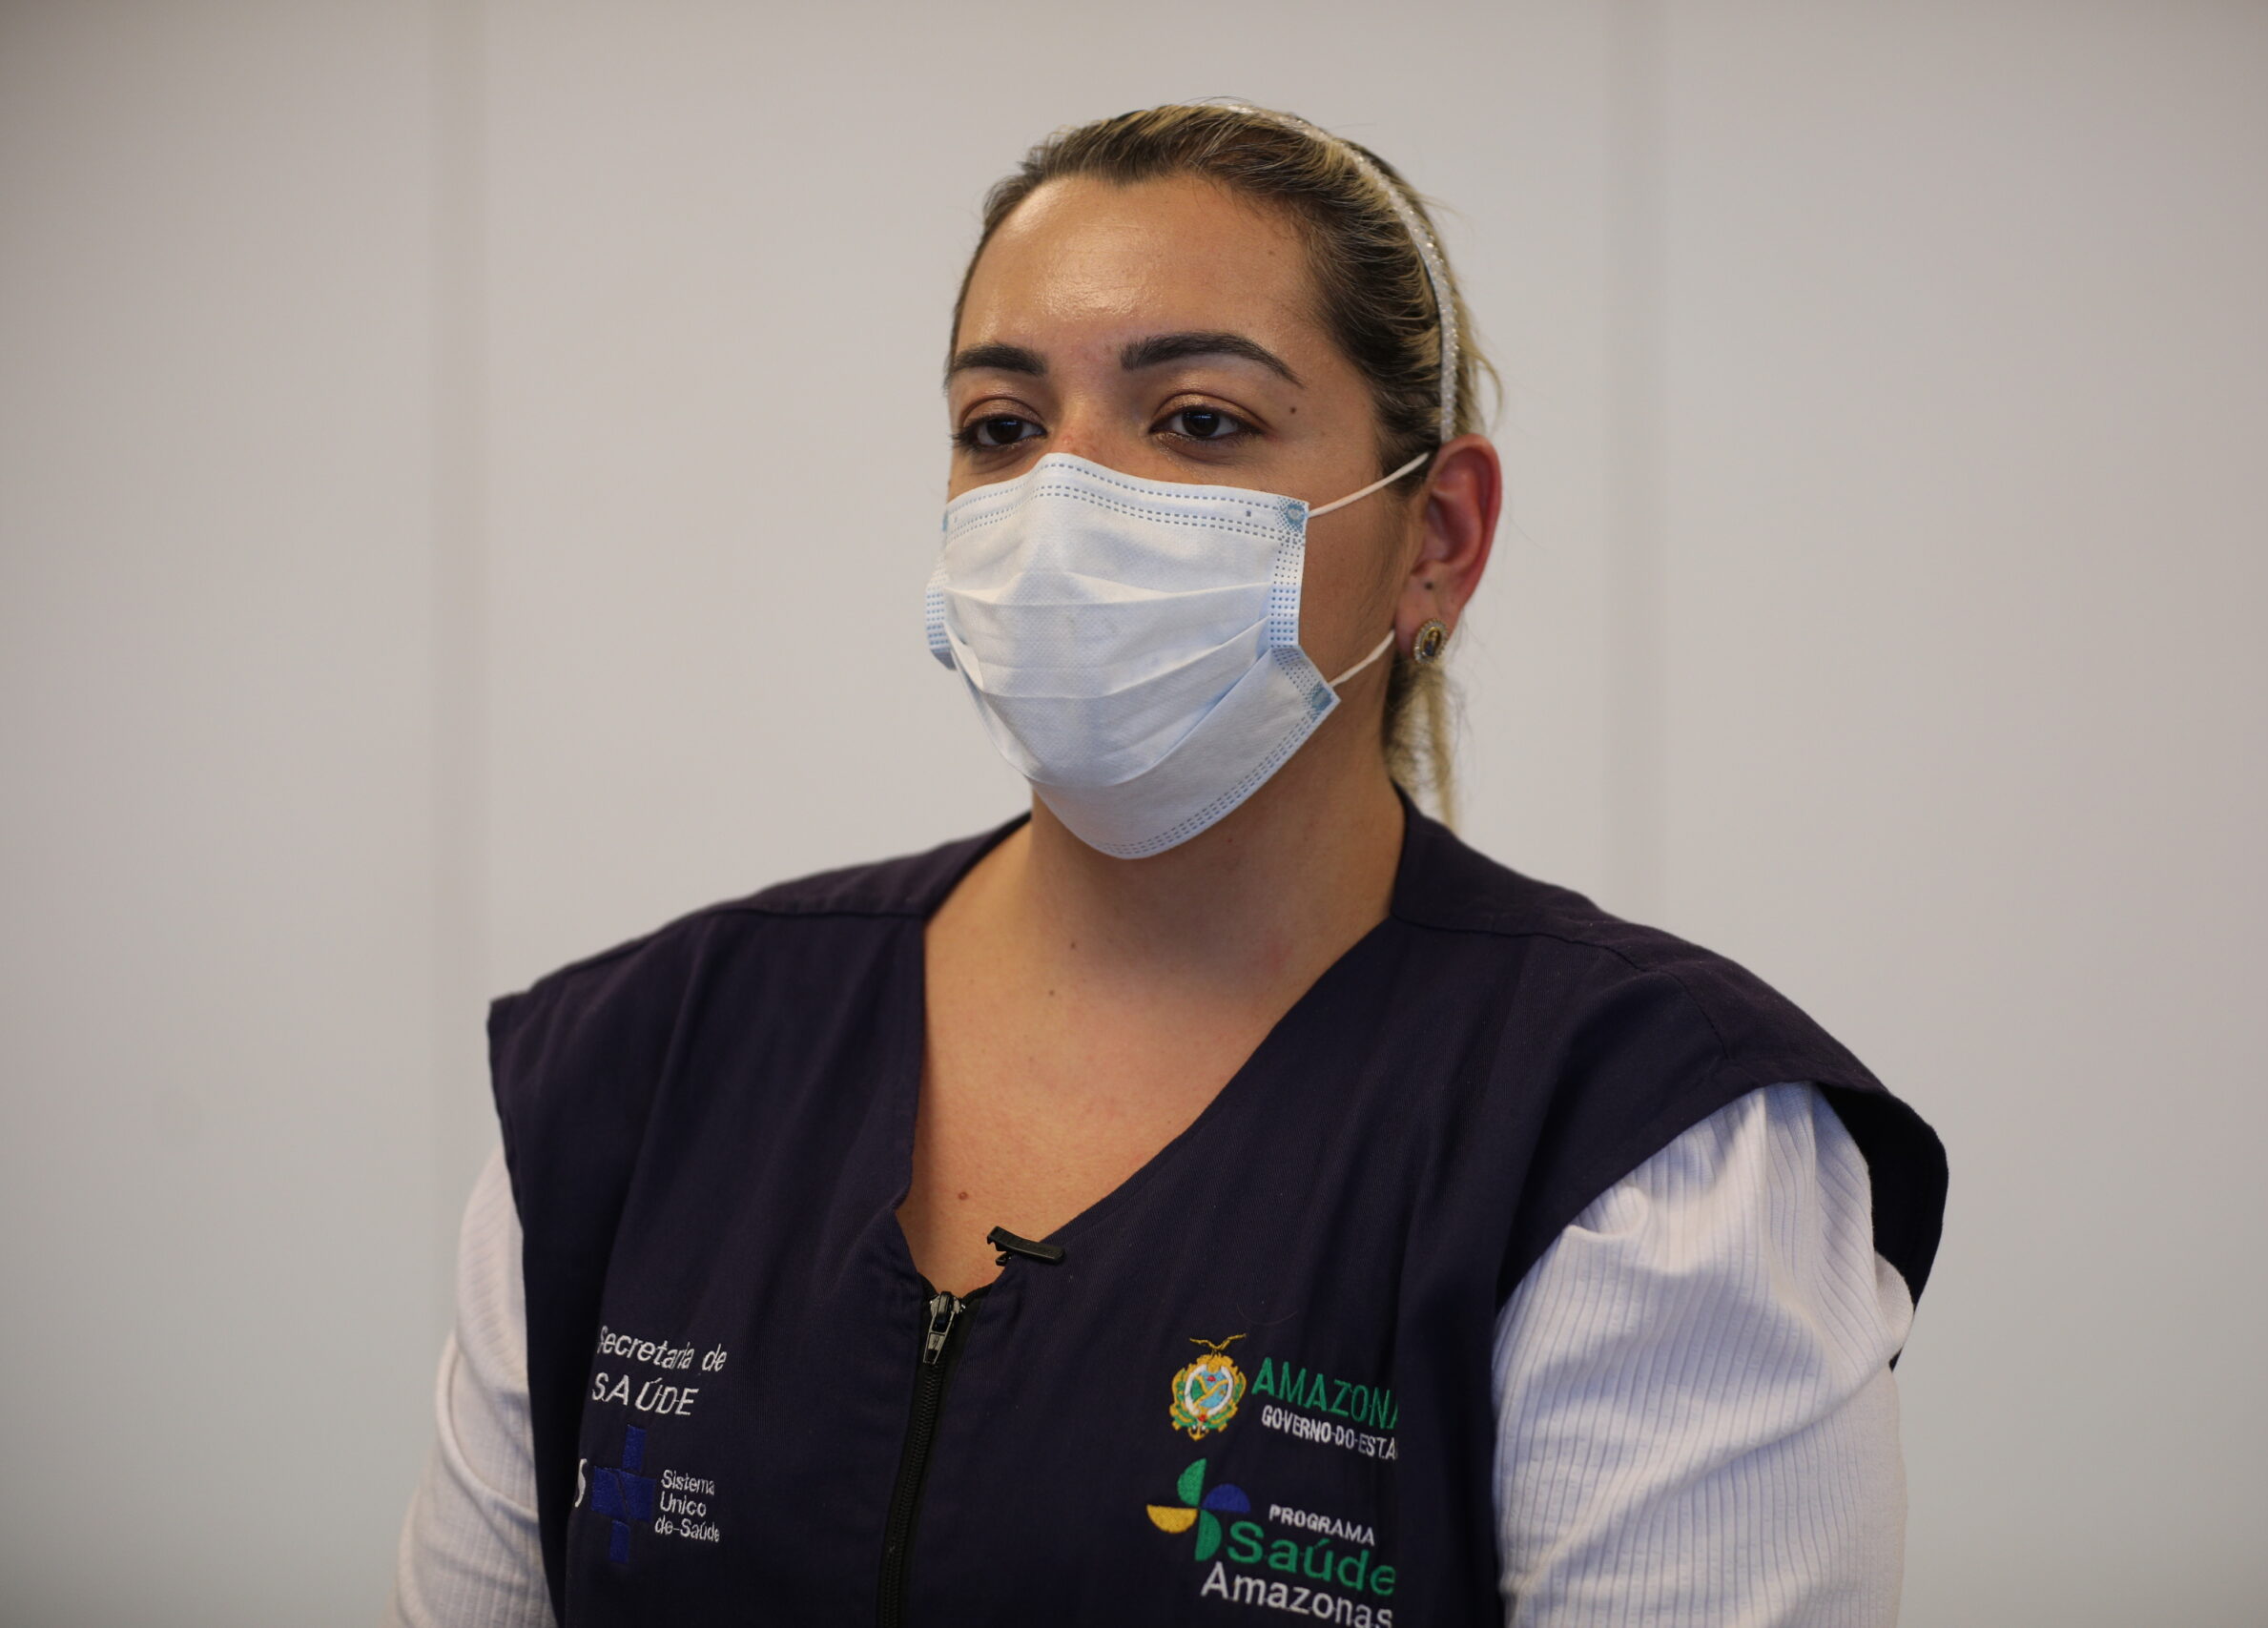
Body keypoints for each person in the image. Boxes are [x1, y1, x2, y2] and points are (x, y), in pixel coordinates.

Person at [388, 103, 1946, 1628]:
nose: (1062, 504)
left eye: (1199, 419)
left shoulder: (1641, 1143)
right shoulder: (646, 1069)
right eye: (1003, 428)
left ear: (1437, 540)